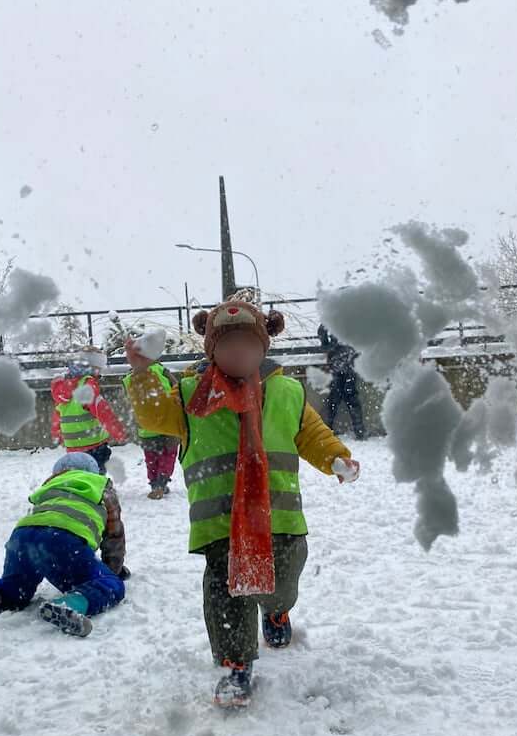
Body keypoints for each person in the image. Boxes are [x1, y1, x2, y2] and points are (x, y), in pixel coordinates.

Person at [125, 299, 360, 708]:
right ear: (211, 349)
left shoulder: (287, 391)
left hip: (280, 519)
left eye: (247, 344)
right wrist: (143, 371)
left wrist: (335, 457)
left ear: (263, 347)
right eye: (227, 344)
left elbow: (311, 434)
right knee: (225, 590)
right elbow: (152, 415)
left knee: (281, 582)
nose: (238, 353)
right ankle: (236, 667)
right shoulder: (189, 394)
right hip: (219, 523)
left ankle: (276, 611)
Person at [0, 453, 127, 638]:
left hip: (22, 537)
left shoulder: (50, 487)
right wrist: (112, 569)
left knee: (12, 591)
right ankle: (68, 605)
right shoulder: (101, 487)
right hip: (65, 539)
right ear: (93, 471)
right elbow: (114, 536)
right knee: (110, 584)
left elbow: (47, 519)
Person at [51, 346, 126, 473]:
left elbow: (58, 415)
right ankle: (99, 489)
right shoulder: (87, 386)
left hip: (73, 446)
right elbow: (103, 412)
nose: (100, 371)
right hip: (94, 444)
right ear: (92, 367)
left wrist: (57, 435)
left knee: (79, 472)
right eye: (100, 366)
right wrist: (119, 432)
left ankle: (82, 490)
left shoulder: (63, 389)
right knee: (97, 472)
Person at [123, 360, 179, 499]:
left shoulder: (129, 377)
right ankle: (161, 484)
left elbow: (129, 399)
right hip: (167, 424)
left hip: (146, 427)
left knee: (151, 457)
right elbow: (178, 388)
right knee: (167, 455)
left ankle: (154, 483)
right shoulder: (161, 370)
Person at [317, 324, 366, 440]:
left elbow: (323, 341)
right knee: (351, 399)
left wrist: (329, 345)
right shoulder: (347, 321)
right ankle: (359, 431)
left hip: (338, 365)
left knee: (334, 400)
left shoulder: (334, 320)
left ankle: (328, 429)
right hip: (349, 364)